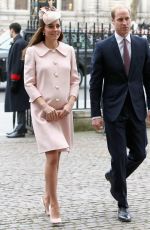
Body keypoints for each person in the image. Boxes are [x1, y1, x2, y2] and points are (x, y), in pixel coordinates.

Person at [90, 5, 150, 222]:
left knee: (140, 153)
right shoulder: (103, 47)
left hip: (136, 108)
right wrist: (95, 113)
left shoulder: (142, 44)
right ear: (113, 21)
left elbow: (148, 78)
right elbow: (95, 83)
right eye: (121, 19)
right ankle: (122, 204)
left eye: (128, 19)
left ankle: (114, 177)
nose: (125, 23)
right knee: (118, 158)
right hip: (113, 111)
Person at [24, 8, 79, 224]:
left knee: (57, 157)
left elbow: (75, 79)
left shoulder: (69, 50)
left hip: (64, 112)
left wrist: (71, 103)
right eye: (51, 26)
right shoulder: (33, 52)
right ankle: (55, 204)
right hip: (43, 113)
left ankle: (47, 195)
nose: (55, 29)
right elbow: (29, 82)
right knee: (53, 155)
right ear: (43, 29)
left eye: (58, 25)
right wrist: (44, 106)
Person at [5, 22, 30, 138]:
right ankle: (19, 127)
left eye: (9, 30)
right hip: (18, 79)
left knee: (19, 105)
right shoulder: (18, 42)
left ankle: (20, 129)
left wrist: (14, 80)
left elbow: (17, 63)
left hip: (18, 80)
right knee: (18, 105)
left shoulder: (19, 43)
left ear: (12, 30)